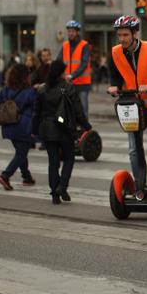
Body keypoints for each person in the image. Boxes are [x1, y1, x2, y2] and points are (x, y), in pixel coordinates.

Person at [108, 15, 147, 197]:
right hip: (131, 104)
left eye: (125, 35)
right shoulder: (115, 52)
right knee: (134, 149)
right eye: (119, 35)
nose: (122, 39)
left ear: (135, 33)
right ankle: (139, 186)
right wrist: (115, 86)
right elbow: (116, 75)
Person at [32, 60, 91, 204]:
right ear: (60, 73)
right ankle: (62, 186)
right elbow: (78, 110)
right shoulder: (69, 88)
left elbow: (36, 113)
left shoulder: (42, 89)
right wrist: (86, 126)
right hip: (65, 128)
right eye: (64, 71)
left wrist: (34, 130)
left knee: (53, 162)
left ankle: (54, 194)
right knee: (69, 158)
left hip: (47, 129)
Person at [0, 63, 36, 190]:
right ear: (25, 77)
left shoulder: (5, 90)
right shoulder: (30, 91)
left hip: (9, 126)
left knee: (21, 152)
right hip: (24, 126)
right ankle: (5, 175)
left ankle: (27, 177)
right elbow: (36, 109)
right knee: (21, 154)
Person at [57, 20, 92, 120]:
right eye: (69, 31)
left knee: (83, 108)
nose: (70, 33)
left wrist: (73, 75)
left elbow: (84, 63)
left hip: (82, 83)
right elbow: (58, 62)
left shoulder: (84, 45)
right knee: (68, 108)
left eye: (73, 31)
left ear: (77, 32)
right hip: (68, 83)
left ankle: (86, 130)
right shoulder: (65, 45)